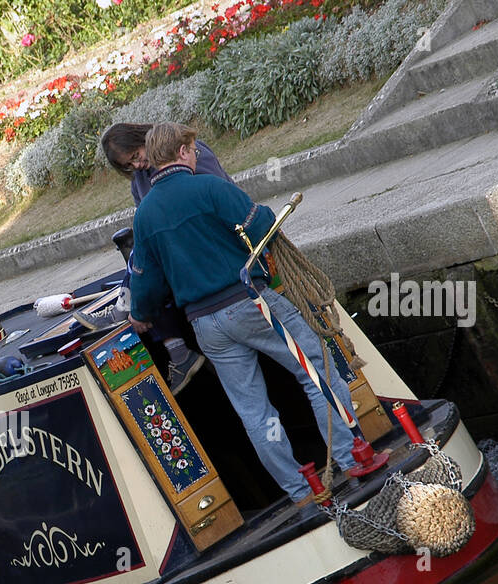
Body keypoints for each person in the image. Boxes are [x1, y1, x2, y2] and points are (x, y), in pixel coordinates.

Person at [129, 123, 359, 506]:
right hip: (250, 303)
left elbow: (146, 285)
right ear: (184, 151)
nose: (198, 154)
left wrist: (140, 314)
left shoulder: (144, 215)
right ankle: (351, 459)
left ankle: (300, 491)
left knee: (254, 411)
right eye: (193, 148)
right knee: (317, 373)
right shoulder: (208, 187)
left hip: (205, 325)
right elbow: (261, 222)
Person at [101, 123, 233, 395]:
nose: (137, 165)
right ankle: (174, 347)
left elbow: (220, 196)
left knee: (147, 264)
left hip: (207, 239)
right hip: (177, 247)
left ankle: (132, 311)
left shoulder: (184, 152)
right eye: (129, 164)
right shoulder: (139, 180)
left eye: (136, 156)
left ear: (142, 140)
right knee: (147, 264)